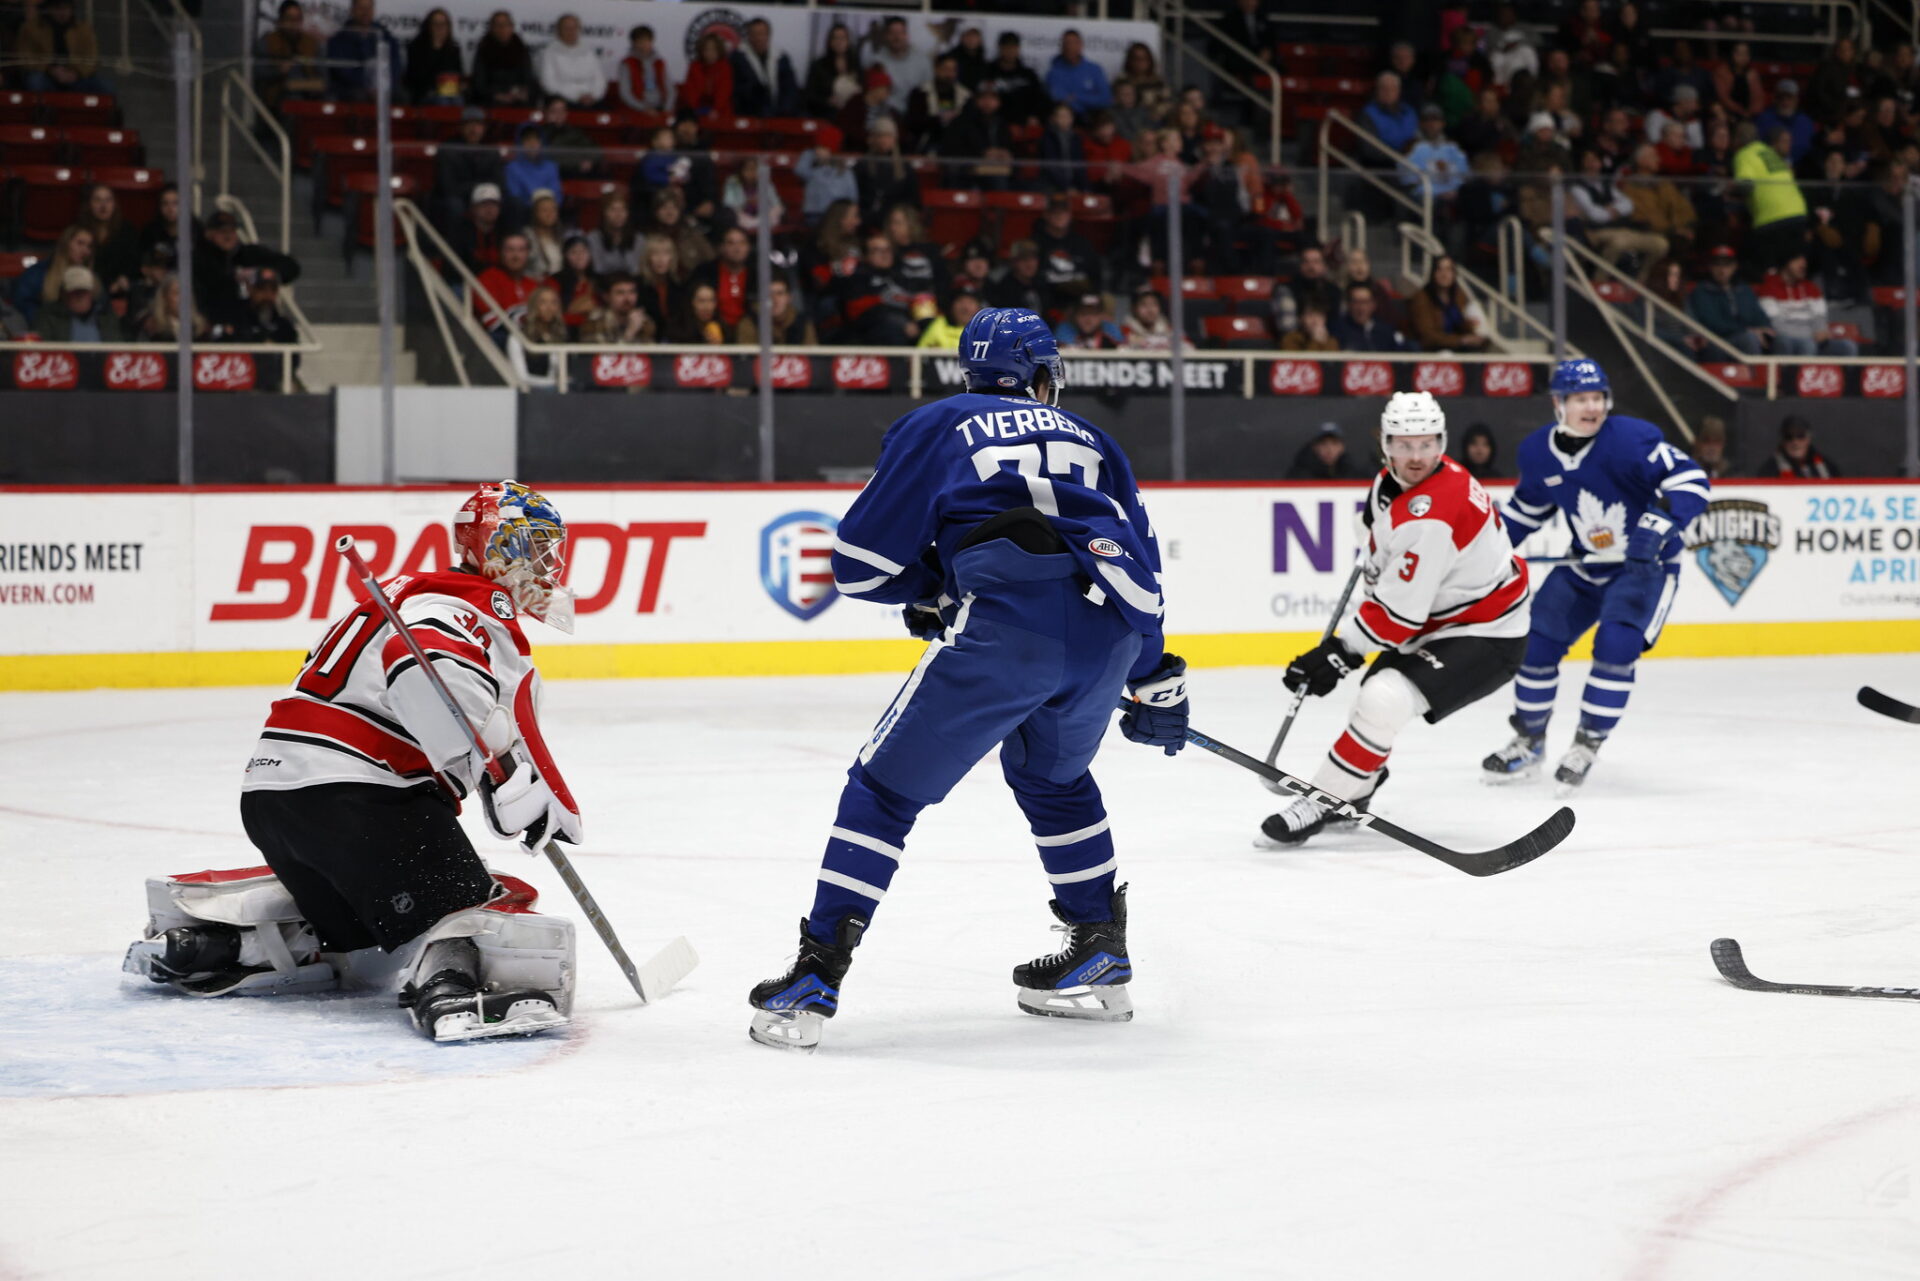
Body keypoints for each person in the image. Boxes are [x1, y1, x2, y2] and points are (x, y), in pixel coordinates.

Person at [746, 307, 1182, 1053]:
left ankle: (818, 969)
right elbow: (1138, 570)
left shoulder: (943, 422)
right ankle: (1100, 947)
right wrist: (1153, 679)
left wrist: (933, 588)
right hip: (1109, 636)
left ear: (973, 375)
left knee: (882, 788)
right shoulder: (1096, 438)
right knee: (1055, 779)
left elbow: (857, 566)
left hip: (1009, 627)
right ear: (1045, 376)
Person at [122, 484, 581, 1045]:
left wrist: (498, 772)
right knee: (473, 906)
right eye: (533, 546)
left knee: (364, 949)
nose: (547, 563)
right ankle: (451, 984)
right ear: (492, 546)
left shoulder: (404, 593)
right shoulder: (464, 605)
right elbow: (421, 663)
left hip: (274, 798)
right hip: (362, 795)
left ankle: (218, 945)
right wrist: (508, 778)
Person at [1261, 393, 1531, 845]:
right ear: (1385, 445)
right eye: (1404, 445)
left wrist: (1337, 654)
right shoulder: (1388, 483)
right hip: (1446, 620)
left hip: (1488, 633)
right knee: (1373, 705)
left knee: (1382, 700)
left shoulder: (1432, 516)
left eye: (1426, 445)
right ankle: (1356, 789)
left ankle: (1322, 800)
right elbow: (1380, 545)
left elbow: (1399, 616)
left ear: (1442, 442)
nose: (1416, 457)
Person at [1484, 360, 1710, 791]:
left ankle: (1587, 743)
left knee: (1615, 646)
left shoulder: (1630, 439)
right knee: (1536, 644)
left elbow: (1691, 479)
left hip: (1646, 566)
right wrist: (1479, 551)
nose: (1592, 407)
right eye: (1580, 399)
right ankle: (1529, 740)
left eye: (1597, 398)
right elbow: (1524, 512)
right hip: (1585, 562)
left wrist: (1658, 526)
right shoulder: (1537, 452)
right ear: (1558, 403)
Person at [195, 210, 303, 335]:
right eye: (222, 232)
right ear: (209, 234)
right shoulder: (199, 259)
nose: (228, 236)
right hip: (217, 322)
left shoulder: (250, 254)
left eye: (232, 231)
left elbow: (291, 267)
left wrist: (263, 274)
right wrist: (234, 277)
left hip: (252, 323)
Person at [1756, 250, 1859, 356]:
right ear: (1785, 262)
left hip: (1813, 340)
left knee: (1847, 347)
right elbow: (1776, 324)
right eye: (1797, 260)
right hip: (1787, 341)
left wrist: (1821, 331)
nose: (1803, 264)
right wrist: (1810, 337)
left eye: (1804, 259)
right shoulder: (1768, 288)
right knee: (1806, 344)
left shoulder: (1811, 288)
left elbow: (1819, 318)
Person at [1736, 124, 1811, 270]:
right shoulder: (1770, 152)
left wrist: (1730, 189)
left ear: (1738, 139)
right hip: (1798, 214)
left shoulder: (1744, 154)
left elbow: (1746, 185)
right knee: (1793, 267)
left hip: (1772, 217)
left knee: (1771, 268)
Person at [1687, 245, 1772, 356]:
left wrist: (1765, 328)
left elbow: (1758, 314)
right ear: (1710, 267)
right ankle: (1755, 373)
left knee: (1777, 339)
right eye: (1717, 265)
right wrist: (1747, 331)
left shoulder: (1744, 289)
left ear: (1734, 266)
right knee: (1749, 338)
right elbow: (1711, 323)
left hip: (1743, 337)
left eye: (1727, 265)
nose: (1722, 270)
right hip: (1716, 340)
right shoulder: (1701, 291)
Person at [18, 0, 107, 94]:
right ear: (49, 9)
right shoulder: (31, 28)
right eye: (57, 8)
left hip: (76, 76)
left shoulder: (84, 30)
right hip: (45, 74)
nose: (62, 12)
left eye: (66, 8)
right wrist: (50, 70)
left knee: (105, 87)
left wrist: (76, 73)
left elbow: (92, 57)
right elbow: (25, 57)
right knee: (35, 81)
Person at [474, 233, 552, 338]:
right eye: (510, 250)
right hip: (499, 341)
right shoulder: (487, 278)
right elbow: (491, 322)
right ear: (501, 253)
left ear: (528, 253)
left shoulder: (533, 284)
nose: (516, 256)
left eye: (521, 250)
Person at [324, 0, 402, 103]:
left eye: (369, 8)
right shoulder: (339, 39)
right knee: (357, 96)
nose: (365, 12)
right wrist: (367, 85)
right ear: (352, 10)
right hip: (352, 88)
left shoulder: (385, 37)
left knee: (400, 95)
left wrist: (383, 85)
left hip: (382, 86)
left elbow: (395, 64)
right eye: (361, 8)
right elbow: (341, 70)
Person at [256, 1, 325, 112]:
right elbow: (258, 72)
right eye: (289, 19)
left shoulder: (312, 44)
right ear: (280, 21)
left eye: (297, 19)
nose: (294, 23)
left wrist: (301, 84)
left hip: (309, 96)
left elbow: (323, 77)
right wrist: (279, 71)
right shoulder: (268, 42)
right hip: (278, 99)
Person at [732, 17, 800, 118]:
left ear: (768, 35)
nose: (758, 38)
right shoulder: (738, 58)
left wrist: (783, 111)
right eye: (754, 34)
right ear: (749, 36)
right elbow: (741, 91)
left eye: (762, 33)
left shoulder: (780, 57)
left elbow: (789, 88)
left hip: (781, 114)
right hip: (751, 115)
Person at [35, 267, 123, 343]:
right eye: (75, 291)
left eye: (84, 291)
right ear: (64, 294)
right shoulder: (49, 317)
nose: (80, 296)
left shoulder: (107, 317)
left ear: (92, 293)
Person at [469, 10, 536, 108]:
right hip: (492, 98)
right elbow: (479, 83)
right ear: (492, 28)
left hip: (516, 97)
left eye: (506, 25)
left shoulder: (520, 49)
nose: (502, 29)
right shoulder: (484, 49)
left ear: (512, 27)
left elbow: (528, 78)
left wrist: (519, 93)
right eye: (498, 25)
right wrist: (497, 95)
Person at [538, 13, 607, 108]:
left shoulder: (589, 51)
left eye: (574, 28)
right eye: (566, 28)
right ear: (559, 31)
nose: (571, 31)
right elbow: (549, 84)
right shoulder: (549, 52)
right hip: (564, 99)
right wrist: (577, 96)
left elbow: (599, 80)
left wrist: (594, 96)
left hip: (591, 98)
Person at [907, 53, 970, 154]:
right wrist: (938, 119)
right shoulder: (920, 93)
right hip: (928, 144)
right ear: (936, 69)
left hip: (958, 145)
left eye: (953, 70)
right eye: (945, 69)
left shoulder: (965, 95)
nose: (949, 74)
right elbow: (913, 122)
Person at [507, 285, 567, 389]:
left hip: (558, 390)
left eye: (553, 302)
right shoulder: (519, 338)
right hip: (533, 393)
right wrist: (553, 384)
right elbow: (522, 377)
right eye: (543, 302)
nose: (549, 308)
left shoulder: (562, 335)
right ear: (534, 306)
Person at [868, 16, 928, 115]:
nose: (897, 37)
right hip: (886, 114)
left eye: (900, 33)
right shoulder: (877, 61)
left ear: (906, 35)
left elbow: (928, 91)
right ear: (886, 36)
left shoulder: (922, 60)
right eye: (892, 33)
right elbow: (874, 95)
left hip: (917, 115)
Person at [982, 32, 1044, 126]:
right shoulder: (988, 73)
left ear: (1018, 49)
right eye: (1007, 47)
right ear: (1000, 48)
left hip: (1023, 126)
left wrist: (1034, 115)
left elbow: (1038, 100)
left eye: (1013, 47)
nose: (1010, 51)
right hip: (993, 125)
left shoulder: (1028, 75)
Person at [405, 8, 464, 105]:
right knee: (442, 100)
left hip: (450, 92)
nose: (439, 28)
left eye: (443, 24)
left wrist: (459, 84)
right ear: (428, 26)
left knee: (458, 100)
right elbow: (414, 77)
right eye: (435, 24)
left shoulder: (453, 50)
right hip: (426, 92)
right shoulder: (416, 48)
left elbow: (458, 73)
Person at [1047, 29, 1111, 118]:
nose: (1070, 47)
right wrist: (1083, 108)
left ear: (1081, 45)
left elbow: (1105, 99)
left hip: (1095, 116)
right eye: (1066, 43)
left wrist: (1077, 97)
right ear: (1062, 47)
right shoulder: (1054, 73)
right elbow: (1060, 99)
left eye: (1073, 43)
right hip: (1070, 119)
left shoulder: (1095, 69)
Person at [805, 23, 863, 120]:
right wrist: (827, 101)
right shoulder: (819, 66)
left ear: (848, 41)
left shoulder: (856, 66)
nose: (839, 42)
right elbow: (809, 95)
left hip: (853, 114)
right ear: (830, 42)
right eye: (835, 38)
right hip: (827, 114)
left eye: (843, 38)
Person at [738, 276, 817, 346]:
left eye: (780, 294)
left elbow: (813, 358)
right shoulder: (749, 322)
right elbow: (746, 359)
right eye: (769, 294)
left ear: (789, 298)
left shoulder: (803, 323)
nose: (774, 300)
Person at [1332, 282, 1410, 352]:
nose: (1361, 308)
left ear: (1373, 304)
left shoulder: (1386, 331)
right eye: (1356, 302)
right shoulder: (1338, 330)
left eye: (1365, 302)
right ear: (1349, 304)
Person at [582, 271, 655, 344]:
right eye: (620, 293)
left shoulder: (645, 322)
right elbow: (601, 354)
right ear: (607, 297)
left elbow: (651, 353)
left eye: (632, 292)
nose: (628, 299)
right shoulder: (594, 321)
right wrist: (629, 333)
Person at [450, 182, 504, 276]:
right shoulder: (461, 234)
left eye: (494, 204)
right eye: (484, 204)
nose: (489, 209)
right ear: (474, 208)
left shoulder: (504, 231)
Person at [1758, 415, 1838, 478]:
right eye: (1789, 437)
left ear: (1809, 439)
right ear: (1782, 441)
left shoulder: (1826, 466)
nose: (1795, 442)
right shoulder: (1770, 469)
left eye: (1800, 436)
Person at [679, 31, 734, 118]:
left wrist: (716, 109)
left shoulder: (725, 67)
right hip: (697, 109)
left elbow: (724, 92)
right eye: (706, 50)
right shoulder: (695, 67)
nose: (710, 53)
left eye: (713, 49)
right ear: (701, 51)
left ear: (719, 50)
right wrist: (693, 110)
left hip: (720, 111)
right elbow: (690, 92)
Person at [1363, 72, 1419, 156]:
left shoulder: (1410, 112)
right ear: (1377, 90)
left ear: (1399, 91)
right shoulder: (1368, 114)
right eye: (1384, 89)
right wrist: (1400, 156)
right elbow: (1369, 150)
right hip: (1382, 166)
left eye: (1393, 89)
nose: (1388, 93)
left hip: (1411, 163)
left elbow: (1419, 139)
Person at [1284, 424, 1367, 480]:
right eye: (1323, 444)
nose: (1329, 449)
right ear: (1315, 447)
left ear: (1342, 447)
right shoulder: (1301, 476)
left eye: (1334, 443)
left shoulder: (1353, 474)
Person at [586, 193, 640, 276]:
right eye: (613, 210)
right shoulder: (593, 238)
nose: (619, 214)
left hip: (631, 285)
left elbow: (636, 269)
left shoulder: (638, 238)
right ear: (604, 213)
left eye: (623, 209)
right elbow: (598, 269)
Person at [917, 290, 982, 348]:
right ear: (951, 306)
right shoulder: (939, 324)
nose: (965, 308)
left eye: (970, 302)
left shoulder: (987, 330)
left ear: (979, 308)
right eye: (960, 301)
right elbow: (920, 354)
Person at [1055, 293, 1123, 348]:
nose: (1088, 319)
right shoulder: (1065, 330)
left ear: (1102, 316)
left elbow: (1122, 350)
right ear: (1075, 316)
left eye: (1093, 314)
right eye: (1083, 314)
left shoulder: (1110, 331)